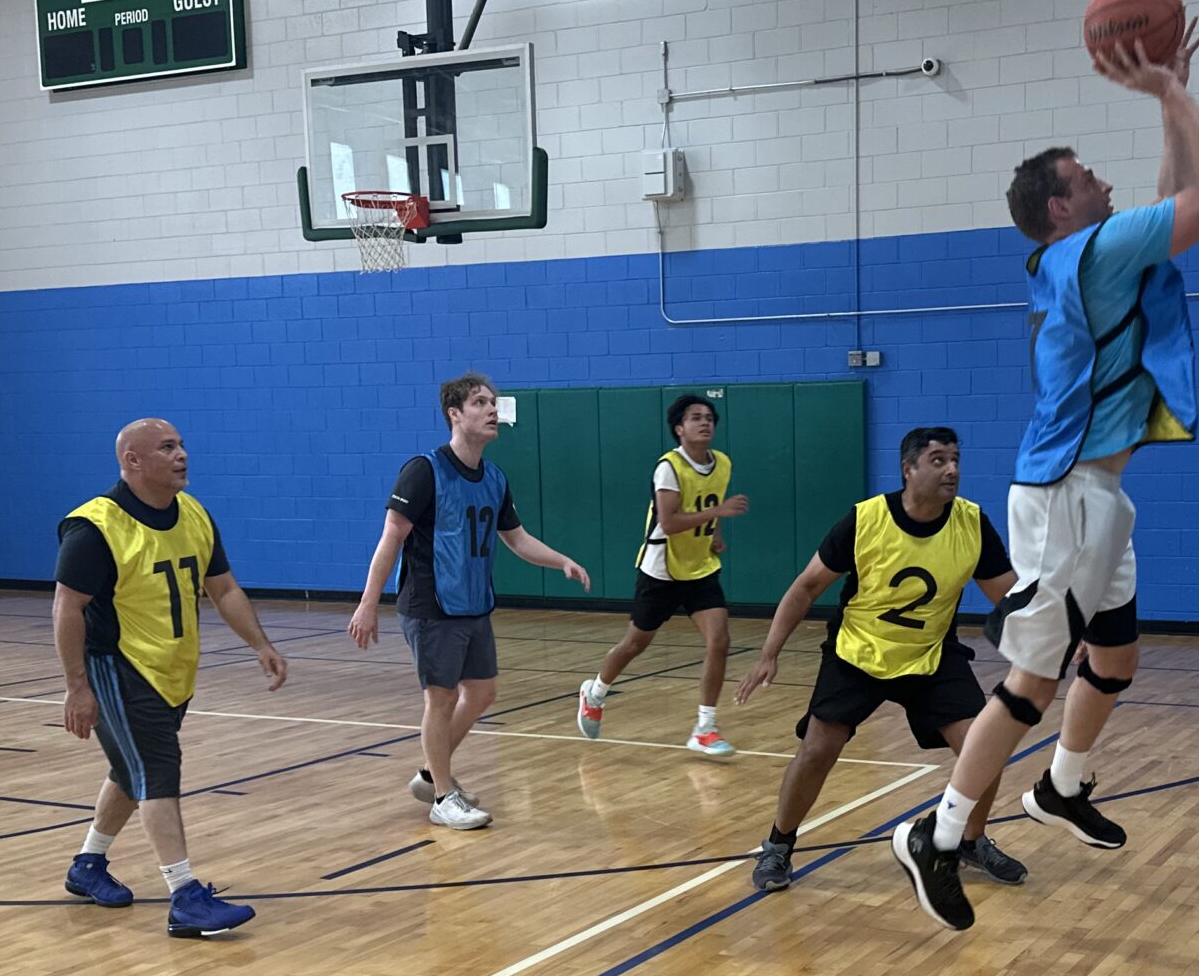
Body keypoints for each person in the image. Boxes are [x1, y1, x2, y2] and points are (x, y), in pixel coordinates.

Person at [891, 29, 1199, 933]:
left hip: (1097, 497)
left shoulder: (1090, 258)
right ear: (1061, 206)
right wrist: (1171, 90)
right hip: (1062, 496)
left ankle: (1061, 786)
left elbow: (1167, 203)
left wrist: (1168, 100)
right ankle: (936, 836)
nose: (1105, 182)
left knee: (1116, 658)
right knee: (1031, 683)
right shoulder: (1088, 253)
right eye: (1088, 176)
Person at [737, 427, 1024, 892]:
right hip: (859, 651)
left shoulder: (971, 523)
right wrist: (769, 653)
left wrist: (1063, 632)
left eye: (955, 459)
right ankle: (778, 845)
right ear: (908, 469)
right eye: (937, 460)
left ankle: (970, 841)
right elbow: (806, 587)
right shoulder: (866, 519)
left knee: (983, 745)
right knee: (817, 749)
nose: (951, 469)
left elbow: (1008, 597)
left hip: (930, 654)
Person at [53, 418, 288, 939]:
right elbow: (67, 608)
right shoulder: (95, 527)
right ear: (132, 460)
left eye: (181, 445)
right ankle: (184, 897)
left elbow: (223, 589)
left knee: (130, 770)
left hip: (172, 671)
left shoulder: (194, 513)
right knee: (157, 771)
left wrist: (261, 644)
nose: (182, 454)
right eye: (167, 447)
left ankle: (88, 865)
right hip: (119, 667)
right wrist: (77, 687)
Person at [348, 373, 591, 830]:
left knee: (481, 692)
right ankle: (443, 797)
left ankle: (429, 776)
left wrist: (561, 560)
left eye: (493, 402)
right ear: (455, 414)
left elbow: (516, 538)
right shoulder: (424, 471)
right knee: (440, 699)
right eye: (480, 402)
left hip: (475, 604)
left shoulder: (494, 477)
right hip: (431, 604)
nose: (492, 409)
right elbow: (391, 537)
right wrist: (367, 604)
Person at [578, 393, 750, 758]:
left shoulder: (722, 463)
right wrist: (718, 513)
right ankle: (595, 692)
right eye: (695, 417)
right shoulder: (669, 467)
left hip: (700, 567)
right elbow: (669, 522)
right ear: (679, 428)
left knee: (719, 640)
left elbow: (706, 504)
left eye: (709, 418)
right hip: (662, 570)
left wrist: (715, 533)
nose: (705, 423)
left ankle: (705, 728)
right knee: (635, 645)